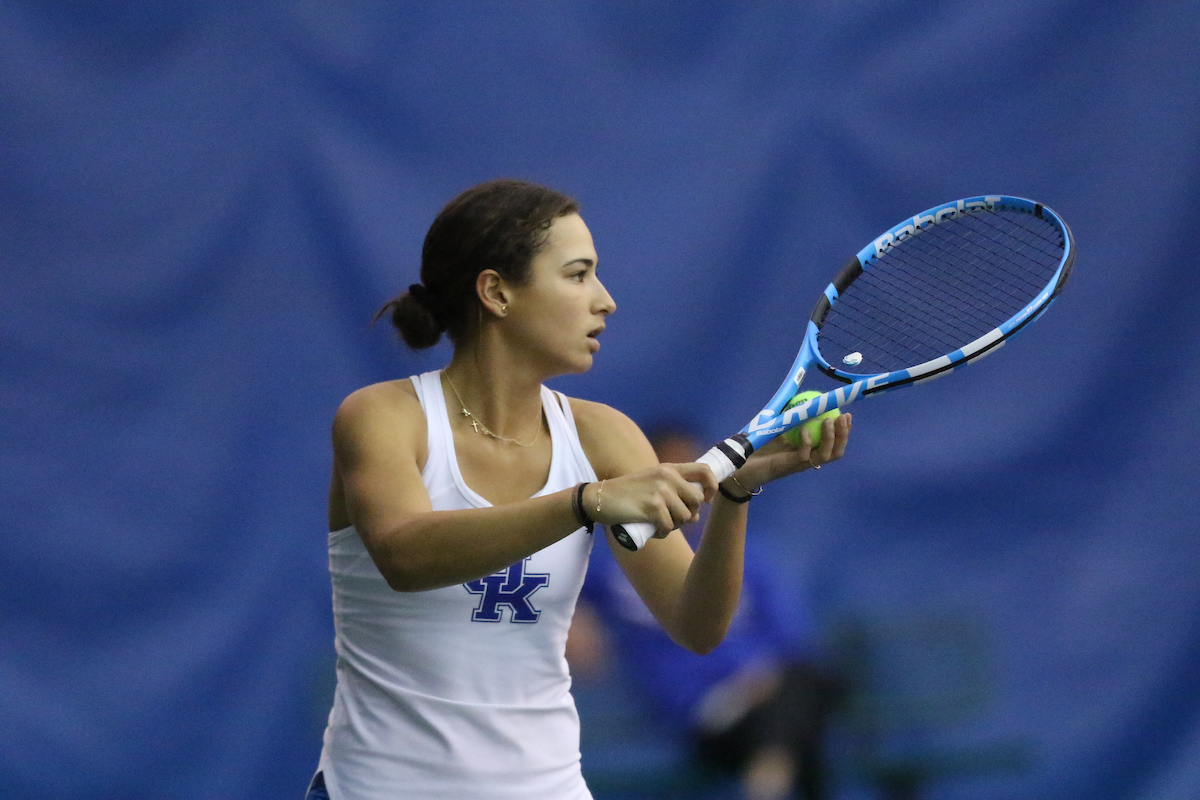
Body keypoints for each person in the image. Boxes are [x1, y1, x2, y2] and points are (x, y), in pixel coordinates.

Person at [307, 179, 853, 800]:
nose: (606, 301)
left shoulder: (605, 437)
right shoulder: (381, 416)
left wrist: (734, 498)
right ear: (497, 293)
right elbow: (405, 555)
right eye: (578, 275)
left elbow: (698, 627)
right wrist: (582, 503)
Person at [569, 425, 845, 800]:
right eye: (665, 473)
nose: (684, 486)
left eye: (695, 472)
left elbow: (793, 644)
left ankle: (765, 784)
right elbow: (557, 593)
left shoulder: (749, 559)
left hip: (767, 703)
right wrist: (577, 622)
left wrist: (758, 683)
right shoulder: (611, 565)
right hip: (699, 715)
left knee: (799, 699)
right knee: (801, 718)